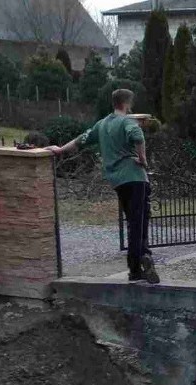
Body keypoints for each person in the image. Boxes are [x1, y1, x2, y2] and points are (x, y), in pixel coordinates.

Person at [46, 89, 160, 284]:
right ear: (127, 104)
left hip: (117, 181)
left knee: (134, 219)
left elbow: (81, 140)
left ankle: (141, 258)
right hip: (135, 177)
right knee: (138, 221)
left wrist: (60, 150)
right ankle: (138, 264)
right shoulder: (127, 122)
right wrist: (143, 159)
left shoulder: (102, 124)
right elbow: (138, 136)